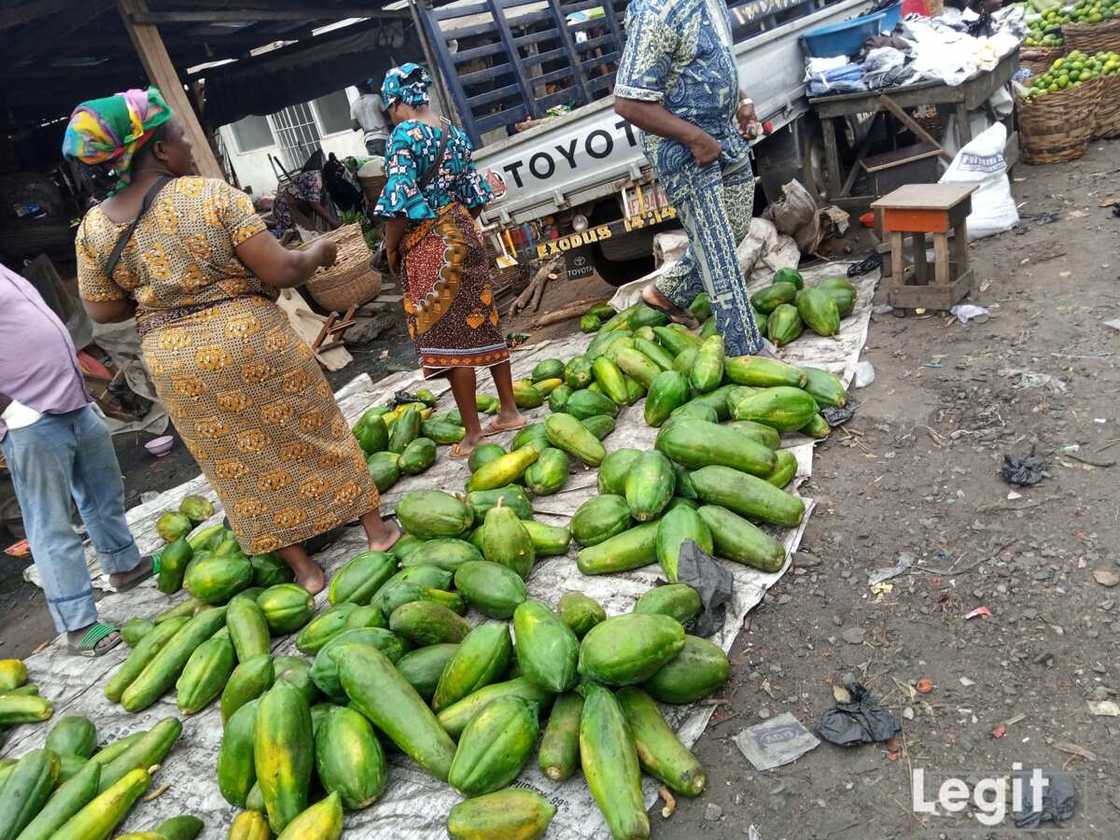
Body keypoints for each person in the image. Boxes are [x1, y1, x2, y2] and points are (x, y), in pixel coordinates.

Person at [64, 87, 399, 595]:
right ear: (157, 150)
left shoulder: (93, 228)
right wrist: (322, 251)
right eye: (179, 135)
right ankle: (377, 532)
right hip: (248, 335)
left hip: (177, 359)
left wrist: (159, 292)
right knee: (313, 428)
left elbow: (103, 309)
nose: (189, 146)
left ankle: (304, 571)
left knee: (235, 461)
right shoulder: (209, 195)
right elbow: (282, 269)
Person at [375, 64, 526, 458]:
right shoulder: (452, 132)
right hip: (465, 231)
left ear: (395, 103)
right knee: (483, 317)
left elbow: (398, 204)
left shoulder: (404, 135)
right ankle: (509, 411)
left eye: (388, 109)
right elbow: (473, 193)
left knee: (451, 335)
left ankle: (474, 433)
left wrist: (392, 249)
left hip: (431, 244)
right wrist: (461, 229)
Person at [0, 263, 151, 655]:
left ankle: (124, 565)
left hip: (72, 400)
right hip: (30, 417)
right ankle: (79, 624)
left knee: (103, 490)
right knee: (52, 524)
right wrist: (12, 407)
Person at [613, 0, 769, 357]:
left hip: (721, 132)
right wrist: (695, 139)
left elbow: (714, 58)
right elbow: (628, 102)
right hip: (682, 145)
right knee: (718, 251)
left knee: (737, 225)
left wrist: (742, 102)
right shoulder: (657, 9)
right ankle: (745, 350)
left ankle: (667, 292)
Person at [351, 80, 392, 157]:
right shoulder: (376, 98)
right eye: (369, 85)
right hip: (382, 136)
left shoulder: (354, 105)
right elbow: (388, 117)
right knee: (388, 163)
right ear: (366, 86)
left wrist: (364, 120)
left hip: (368, 140)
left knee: (377, 166)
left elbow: (354, 127)